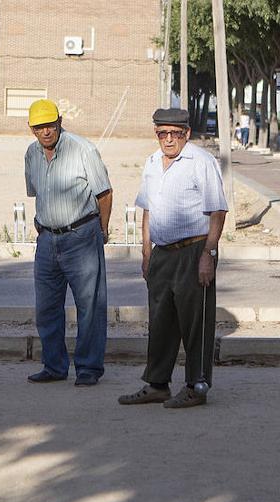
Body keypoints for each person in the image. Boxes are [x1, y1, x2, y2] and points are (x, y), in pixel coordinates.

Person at [119, 108, 228, 409]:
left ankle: (197, 385)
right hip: (162, 253)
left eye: (174, 134)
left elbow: (218, 212)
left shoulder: (201, 162)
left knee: (195, 323)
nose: (168, 140)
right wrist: (145, 252)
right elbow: (148, 209)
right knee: (161, 321)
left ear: (186, 134)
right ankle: (157, 384)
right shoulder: (152, 163)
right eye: (161, 133)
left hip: (193, 251)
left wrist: (209, 254)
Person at [24, 99, 113, 387]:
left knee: (89, 306)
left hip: (82, 236)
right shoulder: (31, 155)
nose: (46, 131)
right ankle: (54, 366)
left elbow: (104, 193)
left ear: (60, 121)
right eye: (39, 127)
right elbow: (37, 192)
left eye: (50, 124)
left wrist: (102, 229)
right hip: (47, 239)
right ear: (31, 129)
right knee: (46, 307)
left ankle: (88, 368)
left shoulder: (83, 149)